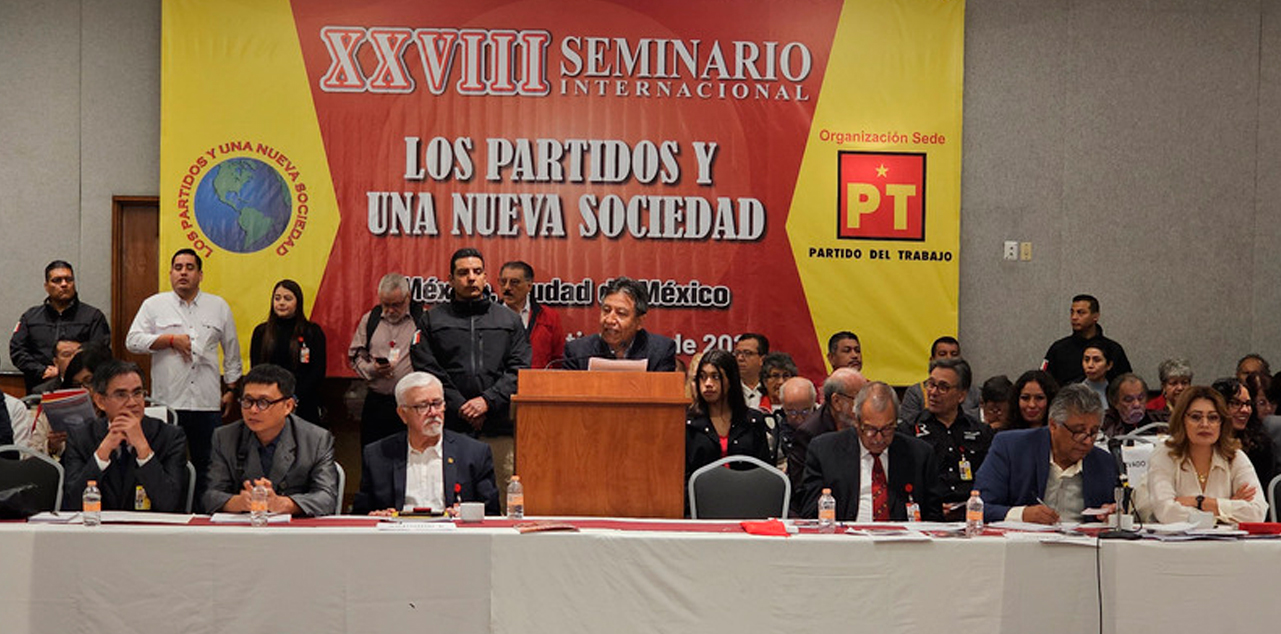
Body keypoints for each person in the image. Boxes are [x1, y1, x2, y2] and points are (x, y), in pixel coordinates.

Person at [411, 248, 529, 511]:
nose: (471, 278)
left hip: (498, 428)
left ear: (486, 277)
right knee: (449, 503)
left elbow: (519, 369)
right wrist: (461, 406)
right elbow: (427, 369)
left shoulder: (508, 320)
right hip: (448, 428)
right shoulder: (432, 320)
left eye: (477, 272)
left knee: (498, 504)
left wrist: (487, 401)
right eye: (463, 273)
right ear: (451, 279)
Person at [125, 249, 241, 512]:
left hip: (206, 403)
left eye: (189, 267)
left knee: (207, 465)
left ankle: (204, 516)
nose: (183, 272)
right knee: (166, 463)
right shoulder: (154, 305)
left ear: (200, 274)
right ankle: (169, 514)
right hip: (168, 402)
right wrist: (169, 340)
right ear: (170, 273)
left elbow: (232, 354)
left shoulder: (218, 306)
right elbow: (132, 341)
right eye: (178, 267)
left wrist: (232, 390)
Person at [351, 372, 499, 516]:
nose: (433, 412)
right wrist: (377, 515)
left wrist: (466, 514)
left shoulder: (473, 452)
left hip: (453, 537)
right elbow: (361, 514)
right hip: (398, 537)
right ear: (403, 414)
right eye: (422, 406)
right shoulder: (378, 455)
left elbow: (491, 512)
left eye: (437, 403)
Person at [203, 364, 337, 517]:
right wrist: (237, 502)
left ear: (288, 406)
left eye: (263, 402)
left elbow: (327, 498)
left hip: (295, 532)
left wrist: (285, 504)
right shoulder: (225, 437)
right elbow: (210, 496)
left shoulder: (316, 439)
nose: (253, 410)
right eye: (247, 401)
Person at [973, 383, 1118, 524]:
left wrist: (1112, 513)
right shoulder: (1011, 448)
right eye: (1078, 431)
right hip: (1022, 544)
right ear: (1053, 425)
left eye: (1093, 432)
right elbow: (979, 507)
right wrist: (1022, 514)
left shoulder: (1104, 462)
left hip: (1083, 545)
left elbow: (1115, 509)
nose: (1087, 441)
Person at [798, 382, 942, 521]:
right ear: (856, 421)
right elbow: (810, 514)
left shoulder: (919, 454)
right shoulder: (824, 451)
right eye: (870, 429)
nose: (879, 438)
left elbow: (934, 517)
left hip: (902, 542)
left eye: (887, 429)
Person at [61, 360, 188, 512]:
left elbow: (171, 504)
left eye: (137, 393)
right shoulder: (81, 438)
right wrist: (103, 452)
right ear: (100, 401)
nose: (132, 402)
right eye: (121, 395)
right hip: (99, 531)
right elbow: (72, 503)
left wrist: (143, 449)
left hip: (151, 531)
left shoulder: (170, 436)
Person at [1134, 385, 1267, 524]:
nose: (1205, 424)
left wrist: (1199, 502)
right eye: (1196, 417)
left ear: (1222, 422)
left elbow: (1257, 513)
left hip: (1224, 544)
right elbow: (1167, 513)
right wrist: (1226, 508)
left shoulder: (1235, 456)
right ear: (1181, 420)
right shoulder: (1164, 454)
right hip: (1176, 544)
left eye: (1213, 417)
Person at [900, 358, 993, 519]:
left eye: (943, 387)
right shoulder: (910, 430)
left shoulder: (981, 432)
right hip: (927, 517)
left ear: (961, 395)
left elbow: (990, 481)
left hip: (971, 517)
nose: (933, 392)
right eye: (931, 384)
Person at [9, 260, 110, 392]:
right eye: (57, 280)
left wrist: (70, 371)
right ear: (46, 286)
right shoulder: (30, 317)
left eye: (68, 279)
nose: (64, 284)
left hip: (82, 389)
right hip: (39, 388)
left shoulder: (93, 316)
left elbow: (100, 353)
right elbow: (17, 351)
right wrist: (42, 370)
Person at [349, 273, 420, 447]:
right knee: (372, 456)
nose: (389, 310)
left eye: (396, 305)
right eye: (385, 305)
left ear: (407, 298)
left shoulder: (422, 320)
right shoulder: (370, 319)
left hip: (411, 405)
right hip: (377, 403)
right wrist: (371, 369)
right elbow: (356, 354)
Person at [785, 368, 866, 508]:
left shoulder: (864, 426)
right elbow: (804, 493)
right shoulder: (810, 434)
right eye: (859, 399)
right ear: (836, 401)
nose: (865, 406)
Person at [684, 349, 771, 479]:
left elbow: (764, 472)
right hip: (702, 496)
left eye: (716, 377)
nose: (707, 384)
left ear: (731, 381)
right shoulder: (688, 423)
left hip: (745, 494)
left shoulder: (752, 421)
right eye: (702, 377)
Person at [250, 280, 326, 426]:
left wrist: (293, 397)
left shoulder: (312, 332)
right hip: (268, 404)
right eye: (277, 298)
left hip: (303, 403)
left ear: (298, 302)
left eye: (287, 298)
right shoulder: (261, 332)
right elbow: (257, 370)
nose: (281, 303)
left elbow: (317, 371)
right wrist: (272, 398)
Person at [563, 277, 676, 371]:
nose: (609, 320)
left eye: (621, 313)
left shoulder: (660, 352)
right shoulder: (577, 352)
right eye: (606, 310)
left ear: (639, 322)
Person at [28, 341, 112, 458]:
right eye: (76, 385)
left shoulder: (114, 411)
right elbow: (27, 457)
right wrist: (51, 446)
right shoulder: (53, 411)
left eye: (89, 381)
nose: (83, 390)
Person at [1041, 294, 1131, 385]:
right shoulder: (1058, 349)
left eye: (1081, 312)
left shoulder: (1113, 349)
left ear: (1095, 316)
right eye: (1072, 312)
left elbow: (1127, 386)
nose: (1074, 317)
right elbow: (1042, 383)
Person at [899, 336, 982, 424]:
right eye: (942, 354)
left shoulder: (974, 392)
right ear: (932, 360)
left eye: (954, 354)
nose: (949, 358)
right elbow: (907, 424)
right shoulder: (915, 392)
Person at [498, 260, 564, 370]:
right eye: (503, 282)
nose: (507, 288)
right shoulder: (488, 316)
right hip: (501, 384)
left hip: (538, 383)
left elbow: (558, 359)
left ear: (529, 286)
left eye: (514, 282)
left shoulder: (549, 317)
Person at [1211, 378, 1275, 487]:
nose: (1245, 410)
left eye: (1248, 404)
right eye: (1235, 403)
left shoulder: (1259, 445)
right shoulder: (1203, 441)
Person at [777, 376, 816, 470]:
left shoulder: (826, 423)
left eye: (805, 412)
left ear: (814, 404)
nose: (799, 419)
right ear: (783, 407)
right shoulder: (773, 426)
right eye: (792, 413)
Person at [1101, 373, 1158, 438]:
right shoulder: (1103, 424)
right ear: (1115, 402)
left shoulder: (1161, 420)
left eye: (1141, 398)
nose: (1137, 404)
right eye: (1129, 400)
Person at [1146, 358, 1192, 422]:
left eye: (1184, 383)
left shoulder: (1197, 407)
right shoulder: (1151, 409)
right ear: (1164, 386)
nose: (1180, 388)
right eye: (1174, 383)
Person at [732, 333, 770, 410]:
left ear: (762, 359)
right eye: (737, 353)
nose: (740, 358)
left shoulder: (771, 388)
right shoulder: (729, 388)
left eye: (747, 353)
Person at [1079, 342, 1112, 407]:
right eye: (1086, 360)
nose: (1090, 365)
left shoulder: (1117, 391)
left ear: (1109, 365)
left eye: (1097, 360)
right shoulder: (1075, 393)